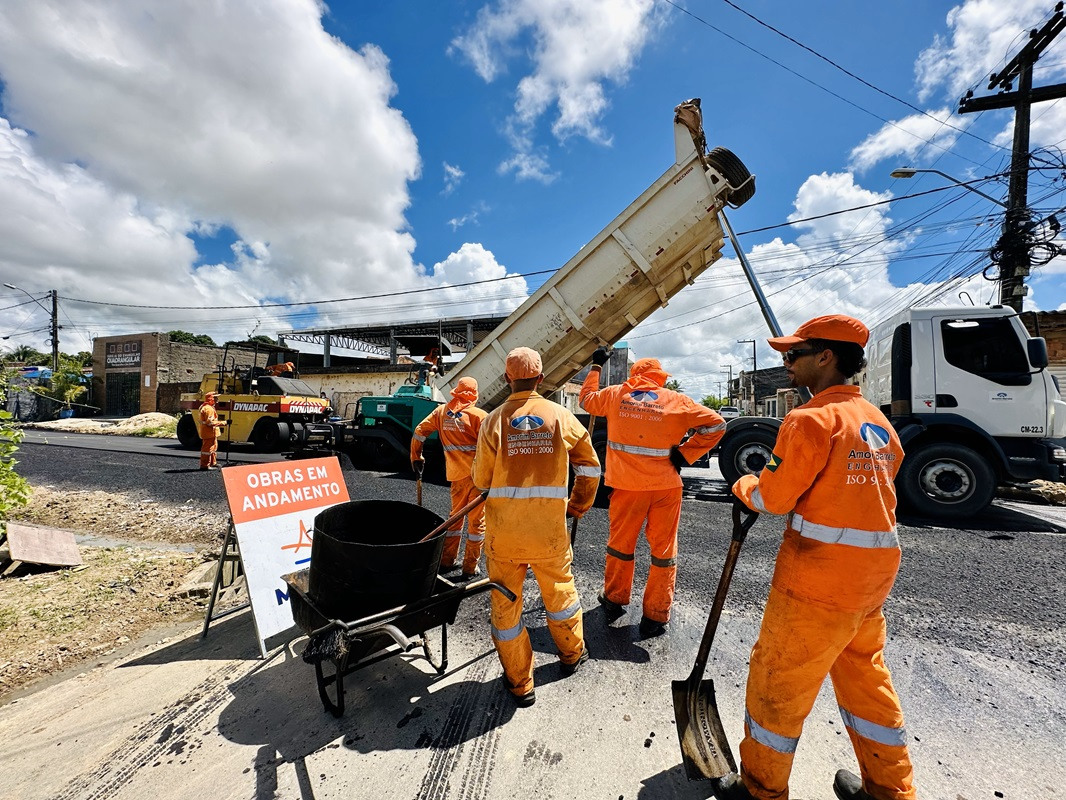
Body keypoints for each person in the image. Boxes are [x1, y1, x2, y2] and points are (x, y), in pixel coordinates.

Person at [717, 315, 916, 800]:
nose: (786, 365)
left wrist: (745, 484)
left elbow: (774, 498)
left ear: (825, 357)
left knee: (778, 681)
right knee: (865, 680)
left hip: (817, 583)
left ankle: (761, 788)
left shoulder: (809, 420)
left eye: (793, 355)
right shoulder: (877, 422)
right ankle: (892, 790)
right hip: (869, 583)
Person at [471, 347, 600, 707]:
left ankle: (519, 684)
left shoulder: (493, 420)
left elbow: (481, 481)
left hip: (504, 536)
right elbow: (590, 468)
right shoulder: (561, 416)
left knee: (506, 608)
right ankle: (572, 655)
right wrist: (578, 504)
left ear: (507, 378)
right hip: (549, 533)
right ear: (541, 379)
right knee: (560, 597)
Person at [579, 349, 726, 636]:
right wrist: (685, 454)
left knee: (621, 546)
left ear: (636, 375)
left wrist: (596, 365)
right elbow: (717, 424)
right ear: (659, 379)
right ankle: (657, 614)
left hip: (627, 487)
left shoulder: (615, 394)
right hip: (665, 487)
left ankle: (615, 598)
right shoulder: (677, 401)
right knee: (663, 552)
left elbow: (585, 399)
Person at [411, 376, 488, 578]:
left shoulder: (441, 412)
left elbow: (420, 431)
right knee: (477, 525)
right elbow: (493, 449)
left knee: (454, 520)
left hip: (456, 478)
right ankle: (470, 567)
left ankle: (447, 560)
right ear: (474, 394)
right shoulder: (479, 416)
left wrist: (416, 455)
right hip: (478, 480)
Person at [197, 392, 228, 471]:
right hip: (209, 432)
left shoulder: (207, 407)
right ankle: (204, 465)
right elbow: (210, 423)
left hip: (211, 433)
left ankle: (213, 463)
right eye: (215, 398)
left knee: (213, 447)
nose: (217, 399)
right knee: (207, 449)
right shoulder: (208, 409)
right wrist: (224, 422)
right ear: (211, 399)